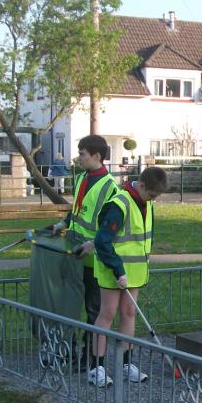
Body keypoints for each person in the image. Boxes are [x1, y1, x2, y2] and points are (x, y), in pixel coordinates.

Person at [86, 166, 169, 387]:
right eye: (152, 195)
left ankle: (126, 364)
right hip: (112, 268)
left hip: (134, 271)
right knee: (108, 313)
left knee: (129, 312)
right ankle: (96, 367)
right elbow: (102, 241)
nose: (154, 200)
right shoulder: (119, 204)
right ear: (141, 186)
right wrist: (117, 269)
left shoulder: (147, 203)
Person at [50, 135, 118, 367]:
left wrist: (93, 245)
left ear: (97, 156)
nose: (79, 158)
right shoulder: (81, 178)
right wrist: (64, 222)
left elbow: (110, 224)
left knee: (93, 309)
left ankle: (90, 357)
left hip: (94, 259)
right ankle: (68, 350)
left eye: (82, 154)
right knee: (69, 305)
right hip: (74, 253)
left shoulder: (110, 187)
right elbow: (77, 211)